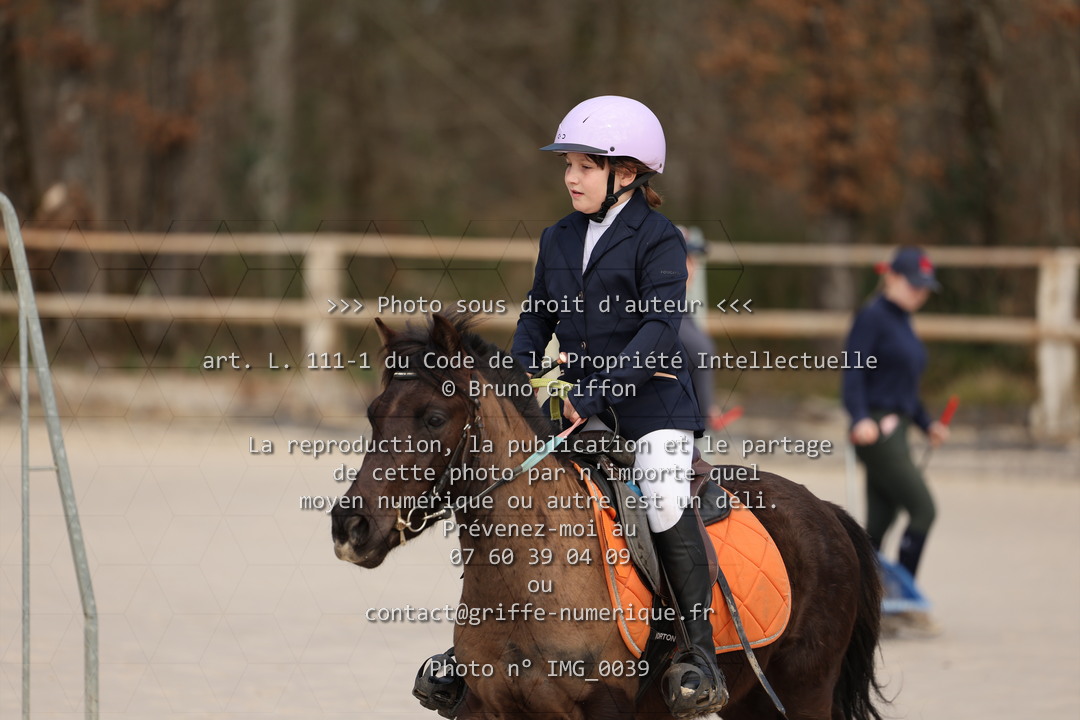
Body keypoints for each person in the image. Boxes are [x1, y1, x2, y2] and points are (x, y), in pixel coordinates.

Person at [511, 96, 725, 718]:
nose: (570, 177)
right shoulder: (556, 237)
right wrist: (519, 373)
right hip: (578, 403)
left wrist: (595, 392)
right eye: (568, 165)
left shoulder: (660, 240)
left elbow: (659, 331)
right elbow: (536, 317)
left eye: (585, 166)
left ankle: (699, 651)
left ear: (626, 173)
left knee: (662, 493)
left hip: (653, 405)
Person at [842, 246, 949, 633]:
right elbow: (853, 371)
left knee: (878, 523)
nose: (920, 294)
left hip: (900, 428)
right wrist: (859, 417)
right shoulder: (872, 317)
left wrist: (927, 423)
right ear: (892, 278)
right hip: (878, 432)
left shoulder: (903, 321)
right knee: (923, 509)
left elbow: (905, 388)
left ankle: (864, 605)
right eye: (914, 285)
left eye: (925, 288)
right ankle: (903, 600)